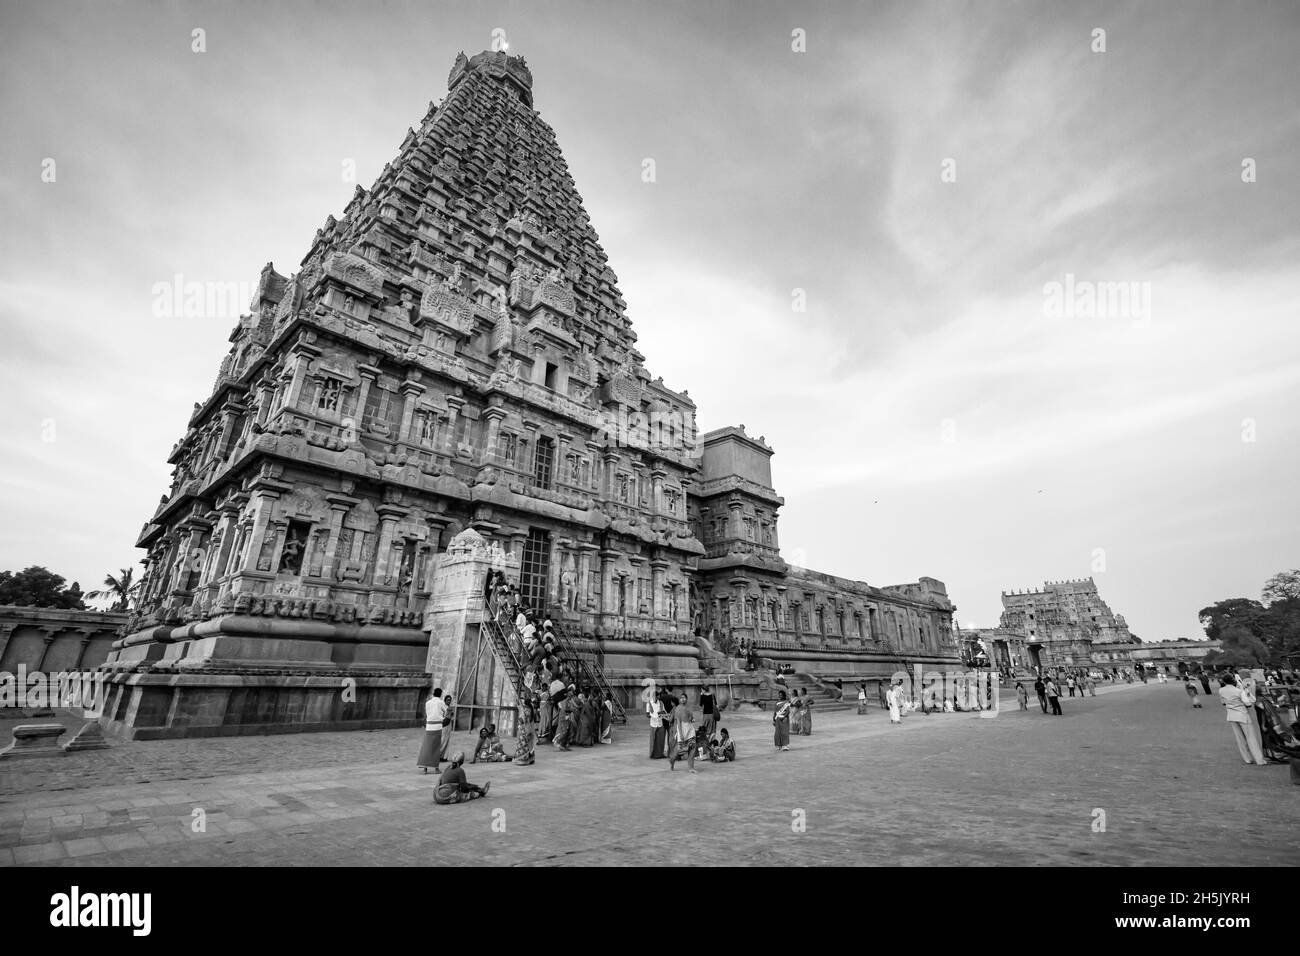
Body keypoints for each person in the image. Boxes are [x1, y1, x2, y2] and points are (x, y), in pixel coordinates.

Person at [1219, 673, 1266, 765]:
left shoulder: (1221, 690)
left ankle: (1247, 758)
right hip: (1242, 715)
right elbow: (1248, 704)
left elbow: (1223, 703)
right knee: (1251, 737)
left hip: (1231, 715)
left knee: (1240, 738)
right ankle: (1259, 760)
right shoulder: (1239, 691)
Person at [418, 687, 448, 773]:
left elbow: (428, 713)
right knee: (436, 748)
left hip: (429, 726)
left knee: (427, 746)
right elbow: (447, 712)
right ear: (440, 694)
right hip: (437, 726)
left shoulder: (428, 703)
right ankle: (436, 768)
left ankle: (425, 769)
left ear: (433, 693)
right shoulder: (441, 702)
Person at [668, 694, 697, 773]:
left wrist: (692, 718)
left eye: (684, 698)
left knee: (693, 747)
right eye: (681, 698)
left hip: (690, 729)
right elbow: (678, 723)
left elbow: (691, 718)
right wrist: (680, 734)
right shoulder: (678, 709)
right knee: (679, 750)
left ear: (687, 699)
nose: (683, 699)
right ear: (680, 700)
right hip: (682, 729)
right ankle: (672, 760)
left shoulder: (688, 708)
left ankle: (691, 767)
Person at [516, 697, 538, 765]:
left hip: (525, 729)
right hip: (530, 728)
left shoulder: (526, 710)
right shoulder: (531, 709)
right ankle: (531, 758)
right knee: (530, 744)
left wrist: (521, 720)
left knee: (525, 743)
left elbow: (522, 719)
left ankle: (524, 758)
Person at [648, 691, 668, 759]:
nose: (656, 698)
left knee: (661, 740)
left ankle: (660, 754)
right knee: (653, 739)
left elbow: (664, 711)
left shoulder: (661, 703)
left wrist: (662, 714)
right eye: (655, 697)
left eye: (657, 697)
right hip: (653, 723)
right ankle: (652, 754)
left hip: (660, 723)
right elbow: (648, 714)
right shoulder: (649, 703)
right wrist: (653, 715)